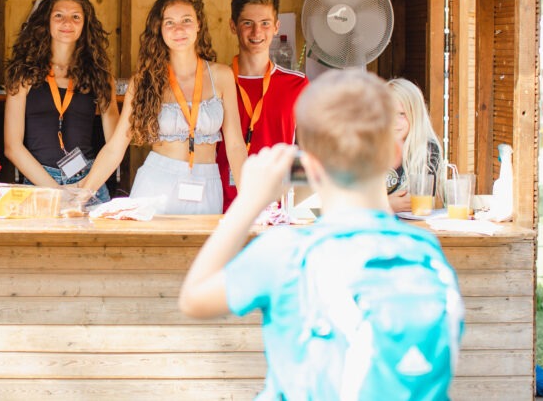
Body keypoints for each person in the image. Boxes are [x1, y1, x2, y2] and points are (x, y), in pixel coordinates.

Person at [179, 70, 464, 400]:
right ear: (393, 153)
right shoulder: (427, 252)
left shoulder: (285, 254)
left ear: (308, 166)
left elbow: (193, 299)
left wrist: (250, 200)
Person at [78, 0, 246, 214]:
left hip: (207, 184)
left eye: (186, 20)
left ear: (199, 25)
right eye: (169, 22)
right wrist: (82, 196)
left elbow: (235, 146)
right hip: (157, 184)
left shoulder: (222, 75)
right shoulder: (143, 81)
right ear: (160, 30)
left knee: (203, 250)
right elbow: (116, 146)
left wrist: (251, 201)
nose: (179, 29)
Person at [3, 0, 119, 202]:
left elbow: (115, 144)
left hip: (88, 182)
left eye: (76, 17)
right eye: (59, 15)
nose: (67, 23)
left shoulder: (100, 76)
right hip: (40, 183)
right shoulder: (23, 74)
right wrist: (56, 191)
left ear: (85, 24)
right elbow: (12, 147)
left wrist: (86, 188)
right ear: (46, 21)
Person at [217, 0, 308, 211]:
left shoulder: (297, 84)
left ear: (276, 26)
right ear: (233, 26)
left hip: (276, 207)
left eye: (265, 23)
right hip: (220, 204)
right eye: (247, 23)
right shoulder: (217, 82)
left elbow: (305, 150)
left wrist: (298, 205)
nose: (257, 31)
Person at [386, 77, 443, 213]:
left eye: (402, 114)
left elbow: (421, 203)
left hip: (412, 227)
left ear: (415, 114)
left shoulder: (428, 150)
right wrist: (387, 204)